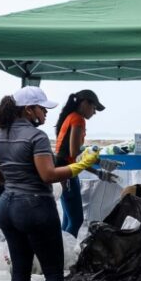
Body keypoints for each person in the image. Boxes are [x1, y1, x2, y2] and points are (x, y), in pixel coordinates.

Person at [0, 86, 102, 281]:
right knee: (51, 271)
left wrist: (16, 182)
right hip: (35, 206)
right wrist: (81, 165)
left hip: (6, 206)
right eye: (42, 108)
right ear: (29, 110)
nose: (46, 113)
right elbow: (48, 175)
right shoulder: (35, 137)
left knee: (20, 270)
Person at [54, 89, 106, 237]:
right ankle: (66, 255)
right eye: (94, 108)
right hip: (67, 173)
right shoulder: (77, 119)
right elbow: (75, 154)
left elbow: (74, 152)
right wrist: (98, 169)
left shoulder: (70, 116)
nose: (94, 112)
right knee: (76, 220)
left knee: (68, 218)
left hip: (62, 171)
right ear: (84, 103)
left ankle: (62, 252)